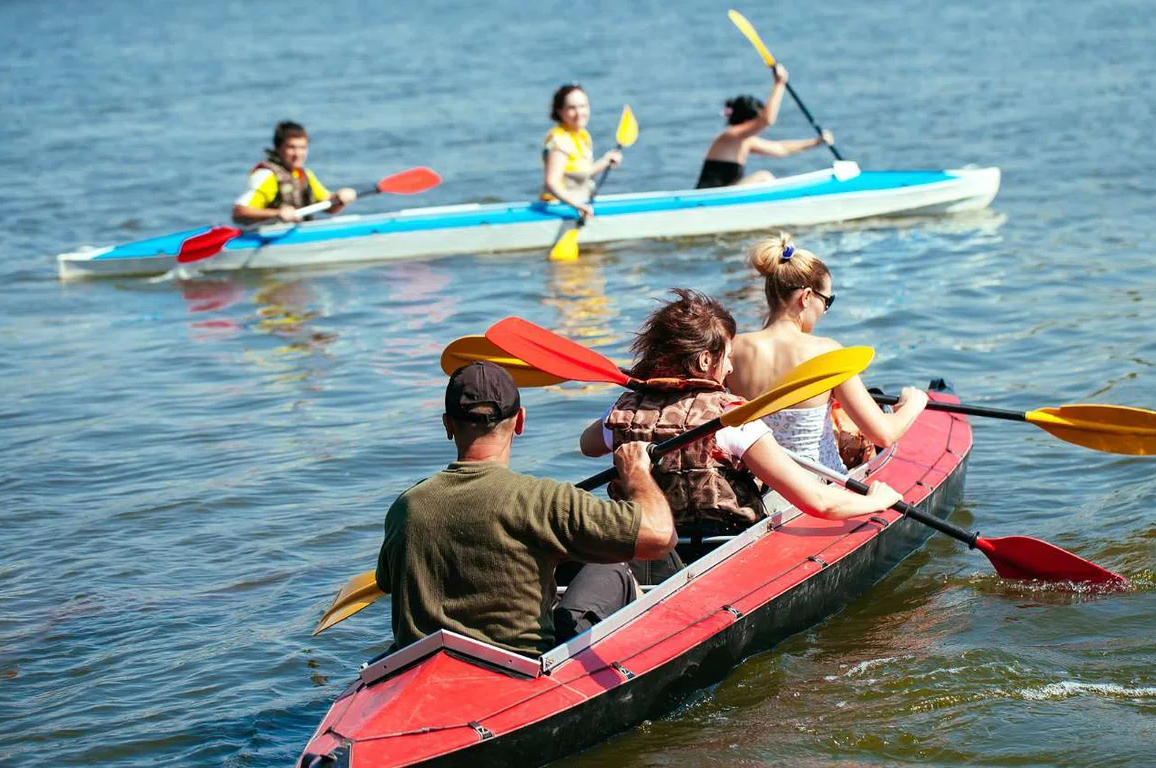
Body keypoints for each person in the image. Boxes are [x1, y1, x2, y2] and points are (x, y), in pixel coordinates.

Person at [579, 289, 906, 564]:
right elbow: (820, 502)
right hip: (718, 551)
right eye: (728, 357)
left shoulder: (623, 410)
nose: (732, 366)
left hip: (647, 549)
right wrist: (876, 500)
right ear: (706, 361)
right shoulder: (731, 418)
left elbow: (588, 444)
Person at [375, 361, 675, 657]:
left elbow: (387, 582)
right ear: (520, 421)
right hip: (517, 669)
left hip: (419, 670)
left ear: (448, 425)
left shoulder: (406, 507)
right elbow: (660, 537)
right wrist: (636, 471)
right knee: (612, 567)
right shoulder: (543, 500)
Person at [728, 233, 928, 473]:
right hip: (821, 481)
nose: (824, 311)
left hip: (759, 483)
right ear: (807, 297)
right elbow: (884, 435)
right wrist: (914, 404)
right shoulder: (826, 352)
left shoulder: (733, 348)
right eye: (827, 301)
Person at [695, 64, 834, 189]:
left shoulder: (745, 141)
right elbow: (766, 120)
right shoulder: (729, 136)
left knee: (763, 178)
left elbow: (781, 149)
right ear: (749, 119)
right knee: (764, 177)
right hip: (706, 201)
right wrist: (779, 84)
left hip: (722, 198)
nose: (758, 128)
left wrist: (816, 142)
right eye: (756, 120)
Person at [231, 121, 357, 225]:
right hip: (270, 238)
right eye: (291, 148)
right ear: (278, 149)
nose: (298, 154)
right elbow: (239, 213)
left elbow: (329, 207)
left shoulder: (304, 174)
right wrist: (277, 214)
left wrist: (340, 198)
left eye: (302, 148)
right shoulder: (267, 176)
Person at [541, 84, 624, 221]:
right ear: (560, 111)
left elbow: (581, 172)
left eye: (583, 106)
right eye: (572, 108)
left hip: (581, 205)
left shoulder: (582, 136)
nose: (579, 113)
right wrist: (577, 206)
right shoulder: (559, 141)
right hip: (560, 210)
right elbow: (551, 183)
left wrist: (606, 161)